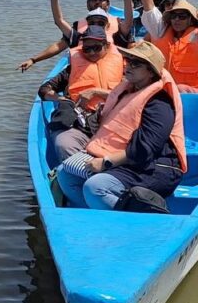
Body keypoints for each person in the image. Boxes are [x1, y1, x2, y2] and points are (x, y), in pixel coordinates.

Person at [57, 42, 186, 210]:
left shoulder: (159, 104)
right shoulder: (127, 92)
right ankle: (101, 217)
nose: (128, 66)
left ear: (150, 72)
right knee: (65, 174)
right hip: (128, 162)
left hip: (155, 168)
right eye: (128, 61)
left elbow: (145, 150)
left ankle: (143, 217)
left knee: (96, 187)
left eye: (136, 63)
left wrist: (105, 163)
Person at [38, 24, 125, 159]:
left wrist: (97, 92)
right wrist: (58, 98)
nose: (91, 53)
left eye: (96, 48)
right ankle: (83, 168)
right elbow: (44, 90)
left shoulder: (126, 68)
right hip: (82, 120)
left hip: (114, 119)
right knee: (63, 143)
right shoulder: (72, 68)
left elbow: (134, 96)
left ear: (107, 46)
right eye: (87, 49)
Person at [18, 0, 131, 72]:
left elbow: (129, 22)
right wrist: (34, 59)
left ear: (108, 4)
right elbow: (59, 32)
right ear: (87, 4)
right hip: (84, 72)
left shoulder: (119, 23)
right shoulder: (78, 28)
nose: (97, 2)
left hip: (113, 70)